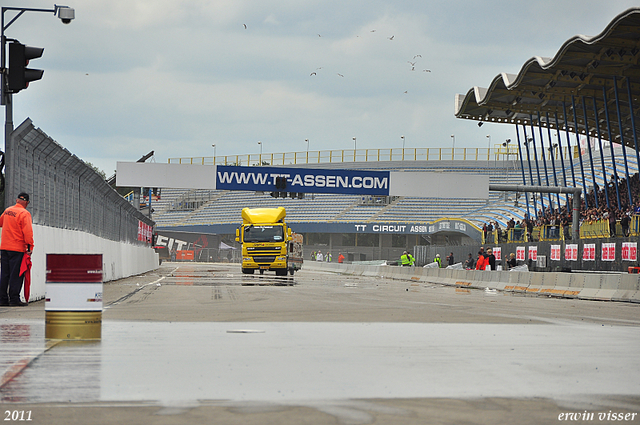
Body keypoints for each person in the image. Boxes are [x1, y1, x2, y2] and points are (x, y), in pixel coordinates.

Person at [0, 193, 34, 307]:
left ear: (16, 200)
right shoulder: (25, 213)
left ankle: (2, 299)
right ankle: (14, 299)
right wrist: (29, 247)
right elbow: (28, 232)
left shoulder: (7, 210)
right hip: (17, 249)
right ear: (27, 202)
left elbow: (0, 222)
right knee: (16, 274)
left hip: (4, 247)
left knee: (4, 274)